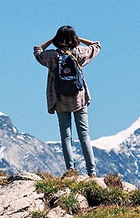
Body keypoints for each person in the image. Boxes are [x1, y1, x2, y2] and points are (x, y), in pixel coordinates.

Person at [33, 25, 101, 177]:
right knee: (84, 135)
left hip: (59, 98)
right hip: (79, 98)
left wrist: (53, 40)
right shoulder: (79, 52)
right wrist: (78, 39)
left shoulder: (51, 55)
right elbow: (96, 45)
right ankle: (92, 173)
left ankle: (71, 170)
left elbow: (37, 50)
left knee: (65, 135)